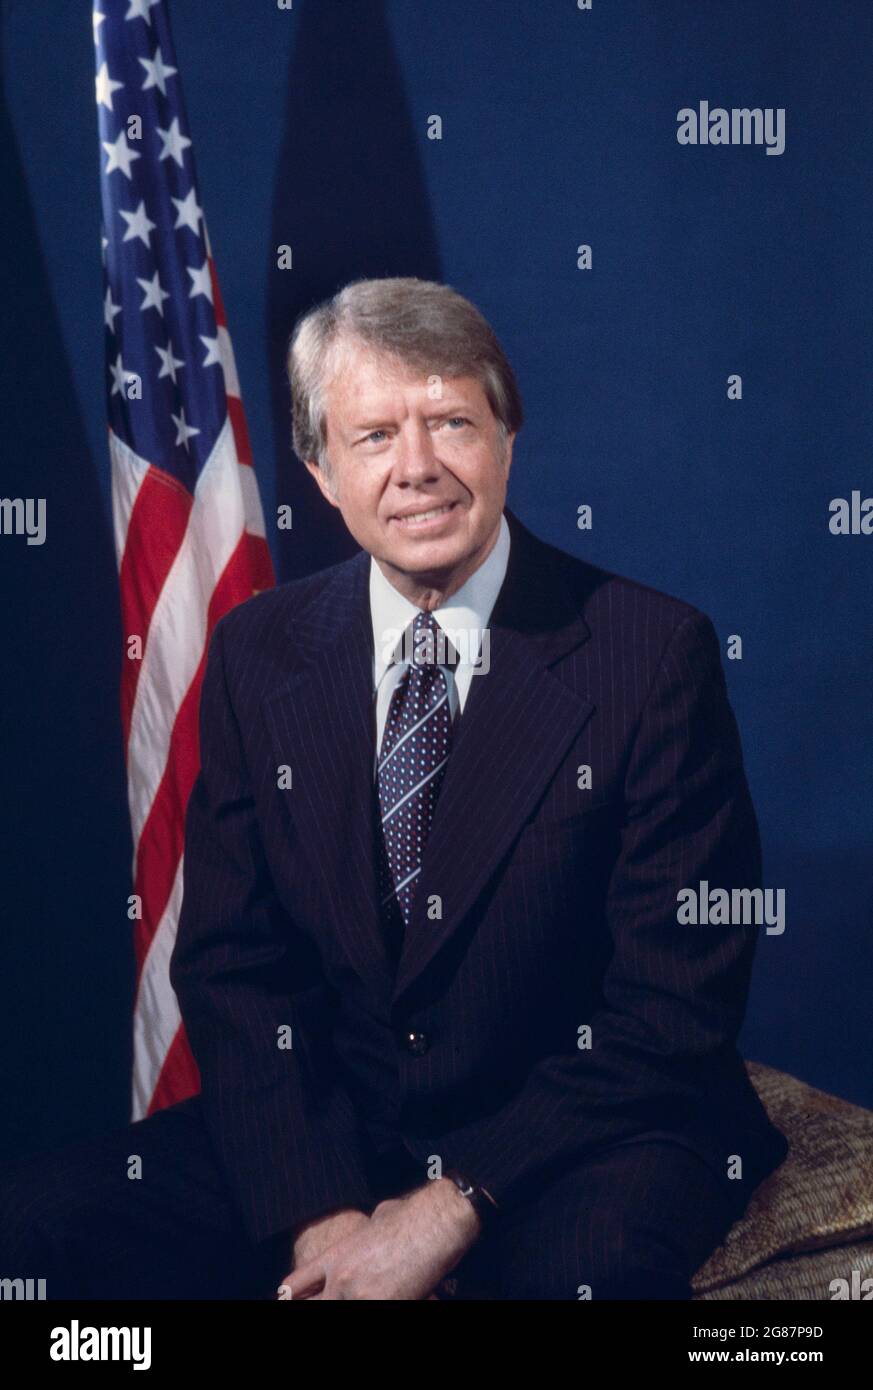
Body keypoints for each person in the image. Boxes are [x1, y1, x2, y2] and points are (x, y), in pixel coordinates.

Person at [0, 277, 787, 1300]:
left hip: (586, 1136)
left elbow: (670, 1009)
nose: (418, 468)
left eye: (453, 420)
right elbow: (238, 964)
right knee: (34, 1229)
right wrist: (317, 1210)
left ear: (508, 438)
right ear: (322, 470)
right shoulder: (259, 653)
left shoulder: (648, 654)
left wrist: (451, 1205)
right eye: (374, 436)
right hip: (345, 1129)